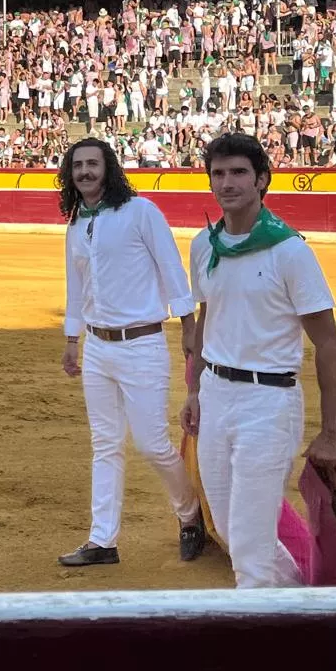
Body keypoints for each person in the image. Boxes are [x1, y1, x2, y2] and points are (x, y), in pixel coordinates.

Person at [180, 133, 336, 589]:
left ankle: (257, 643)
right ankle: (297, 605)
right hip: (215, 394)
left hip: (268, 402)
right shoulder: (204, 245)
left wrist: (331, 433)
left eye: (238, 173)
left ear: (262, 181)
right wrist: (194, 391)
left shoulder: (289, 252)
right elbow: (207, 317)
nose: (226, 183)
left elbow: (327, 344)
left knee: (249, 550)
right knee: (234, 533)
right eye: (218, 173)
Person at [56, 137, 206, 568]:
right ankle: (102, 540)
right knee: (104, 443)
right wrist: (72, 338)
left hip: (142, 344)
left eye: (92, 164)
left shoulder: (140, 211)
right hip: (99, 348)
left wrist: (188, 324)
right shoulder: (76, 223)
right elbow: (76, 287)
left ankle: (189, 512)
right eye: (78, 166)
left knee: (151, 443)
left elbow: (171, 267)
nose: (85, 172)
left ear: (109, 168)